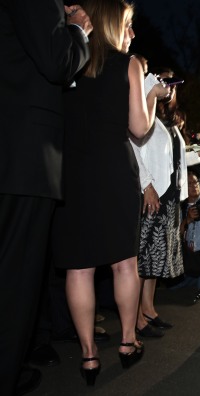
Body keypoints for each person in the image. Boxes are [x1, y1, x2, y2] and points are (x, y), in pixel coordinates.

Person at [50, 0, 170, 386]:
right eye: (128, 23)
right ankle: (127, 341)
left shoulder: (69, 60)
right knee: (124, 263)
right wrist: (151, 98)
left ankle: (87, 356)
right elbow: (139, 129)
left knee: (79, 268)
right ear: (115, 22)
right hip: (116, 172)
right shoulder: (129, 64)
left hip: (71, 172)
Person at [0, 2, 91, 394]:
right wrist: (77, 29)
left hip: (17, 153)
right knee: (14, 279)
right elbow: (58, 61)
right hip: (24, 156)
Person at [131, 67, 200, 338]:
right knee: (142, 257)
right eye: (164, 81)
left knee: (155, 259)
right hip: (152, 192)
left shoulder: (167, 120)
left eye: (172, 83)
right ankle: (135, 316)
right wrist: (145, 185)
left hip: (170, 194)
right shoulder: (142, 113)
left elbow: (176, 158)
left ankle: (148, 309)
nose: (169, 87)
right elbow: (134, 148)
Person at [171, 171, 200, 294]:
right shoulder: (180, 208)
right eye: (190, 183)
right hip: (190, 256)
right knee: (172, 287)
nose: (194, 185)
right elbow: (176, 235)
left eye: (196, 182)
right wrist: (187, 220)